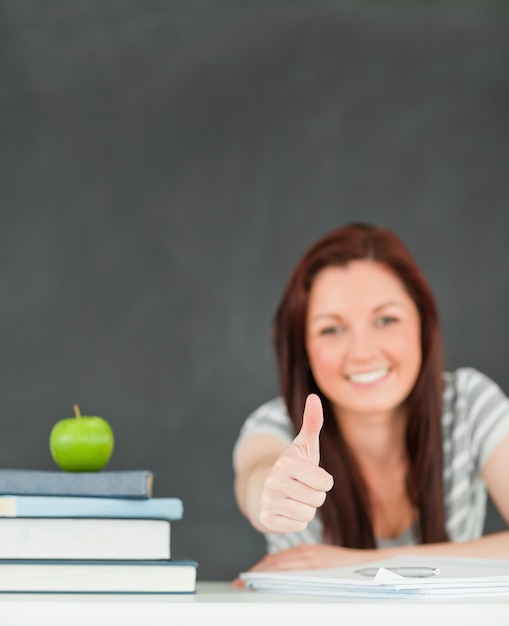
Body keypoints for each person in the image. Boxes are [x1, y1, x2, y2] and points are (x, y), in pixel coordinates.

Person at [233, 222, 509, 574]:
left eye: (386, 320)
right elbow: (257, 476)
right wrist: (270, 493)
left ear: (422, 326)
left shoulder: (469, 405)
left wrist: (364, 564)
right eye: (331, 329)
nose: (362, 353)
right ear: (303, 348)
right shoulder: (278, 425)